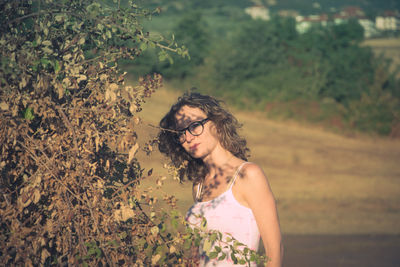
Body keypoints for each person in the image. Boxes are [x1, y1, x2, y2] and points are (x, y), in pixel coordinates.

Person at [158, 92, 283, 267]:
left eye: (194, 126)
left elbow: (274, 249)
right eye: (181, 132)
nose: (188, 137)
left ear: (216, 123)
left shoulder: (248, 175)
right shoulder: (199, 185)